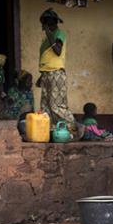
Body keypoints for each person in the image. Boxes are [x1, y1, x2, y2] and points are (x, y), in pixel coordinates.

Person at [36, 8, 72, 139]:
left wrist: (48, 32)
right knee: (45, 107)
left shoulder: (59, 34)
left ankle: (72, 128)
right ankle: (51, 133)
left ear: (53, 23)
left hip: (56, 74)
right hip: (47, 74)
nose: (44, 26)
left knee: (56, 105)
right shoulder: (46, 39)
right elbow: (48, 59)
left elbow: (57, 51)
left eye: (46, 23)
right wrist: (42, 75)